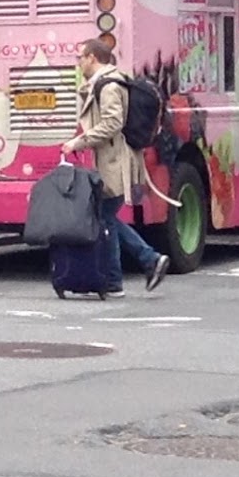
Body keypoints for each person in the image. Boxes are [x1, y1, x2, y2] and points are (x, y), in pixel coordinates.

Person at [61, 39, 171, 296]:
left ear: (91, 58)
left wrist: (77, 142)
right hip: (114, 160)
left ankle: (142, 264)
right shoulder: (106, 82)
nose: (78, 62)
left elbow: (112, 124)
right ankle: (126, 272)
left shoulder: (109, 85)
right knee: (105, 218)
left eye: (80, 57)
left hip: (115, 163)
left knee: (105, 218)